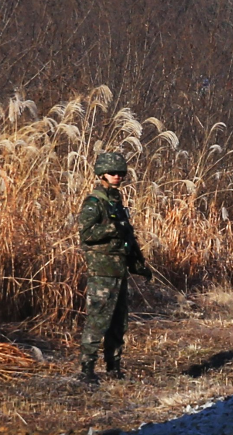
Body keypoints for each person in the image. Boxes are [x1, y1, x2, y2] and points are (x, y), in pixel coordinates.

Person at [77, 152, 152, 384]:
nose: (117, 176)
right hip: (102, 272)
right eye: (112, 173)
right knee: (98, 320)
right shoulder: (94, 202)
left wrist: (139, 265)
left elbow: (127, 238)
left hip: (119, 271)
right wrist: (112, 228)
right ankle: (87, 369)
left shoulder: (116, 202)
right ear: (101, 175)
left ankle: (114, 367)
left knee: (119, 322)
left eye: (121, 173)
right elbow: (86, 235)